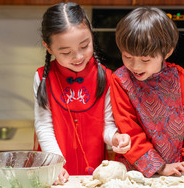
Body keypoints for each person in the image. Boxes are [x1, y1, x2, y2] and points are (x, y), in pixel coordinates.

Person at [33, 2, 131, 184]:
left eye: (84, 46)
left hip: (93, 168)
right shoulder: (42, 77)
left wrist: (116, 138)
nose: (78, 57)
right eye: (66, 52)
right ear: (48, 47)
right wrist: (55, 164)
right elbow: (44, 126)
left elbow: (106, 125)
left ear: (92, 36)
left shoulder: (105, 77)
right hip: (56, 169)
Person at [110, 7, 184, 178]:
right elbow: (129, 131)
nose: (135, 66)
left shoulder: (183, 79)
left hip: (178, 170)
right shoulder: (120, 81)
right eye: (127, 56)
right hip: (133, 171)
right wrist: (160, 167)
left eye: (145, 59)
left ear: (167, 52)